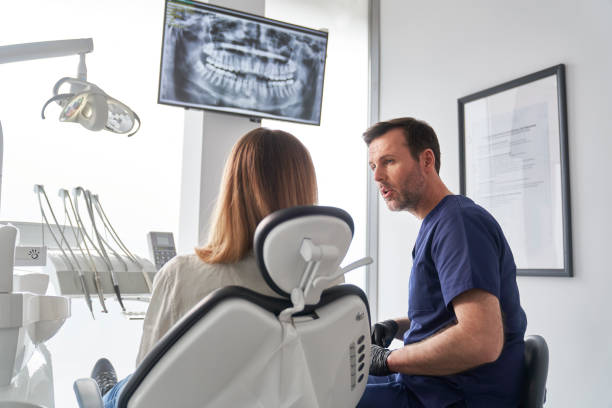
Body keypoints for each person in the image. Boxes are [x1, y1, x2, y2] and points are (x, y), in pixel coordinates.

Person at [92, 127, 331, 408]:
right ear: (306, 191)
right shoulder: (326, 286)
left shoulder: (180, 274)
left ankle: (105, 393)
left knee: (121, 392)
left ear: (232, 190)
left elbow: (144, 391)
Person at [357, 117, 527, 408]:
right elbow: (450, 318)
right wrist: (396, 326)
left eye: (389, 162)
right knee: (333, 386)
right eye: (374, 166)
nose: (377, 177)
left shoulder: (458, 223)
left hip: (448, 398)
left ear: (426, 160)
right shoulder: (440, 223)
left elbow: (480, 340)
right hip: (423, 387)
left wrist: (388, 360)